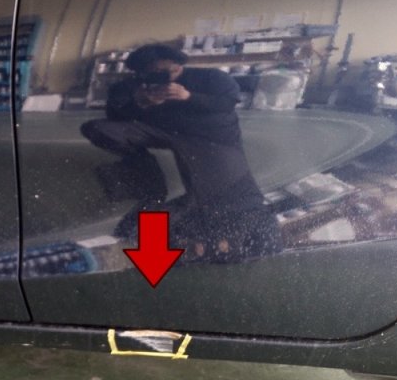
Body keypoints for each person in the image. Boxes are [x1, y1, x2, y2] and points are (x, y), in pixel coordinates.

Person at [81, 44, 282, 262]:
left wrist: (188, 96)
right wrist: (140, 103)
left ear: (177, 65)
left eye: (164, 71)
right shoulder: (135, 85)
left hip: (210, 140)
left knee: (213, 194)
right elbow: (114, 114)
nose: (159, 77)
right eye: (150, 73)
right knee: (98, 129)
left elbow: (226, 103)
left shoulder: (211, 78)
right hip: (161, 133)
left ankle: (155, 242)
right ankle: (149, 188)